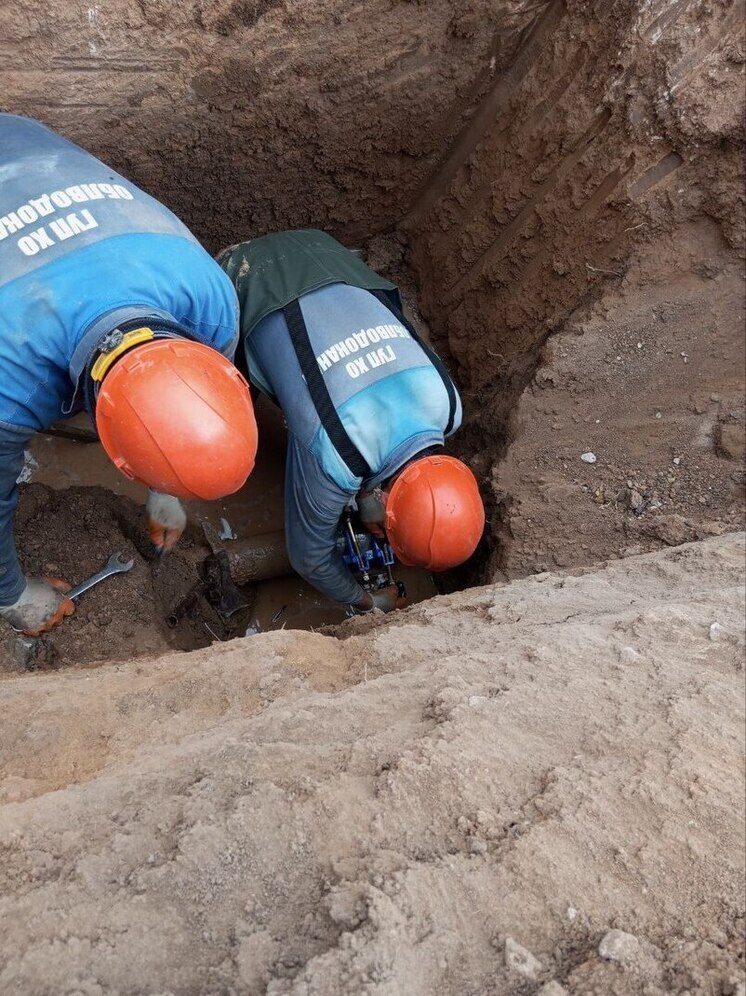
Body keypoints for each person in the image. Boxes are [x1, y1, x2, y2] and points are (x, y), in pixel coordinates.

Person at [0, 114, 258, 637]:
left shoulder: (213, 304)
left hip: (23, 141)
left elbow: (185, 410)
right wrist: (12, 596)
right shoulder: (10, 379)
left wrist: (167, 488)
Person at [217, 229, 484, 613]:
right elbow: (309, 558)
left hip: (327, 252)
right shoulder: (335, 454)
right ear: (385, 500)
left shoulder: (449, 405)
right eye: (387, 529)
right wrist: (367, 601)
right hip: (246, 276)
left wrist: (365, 494)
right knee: (225, 408)